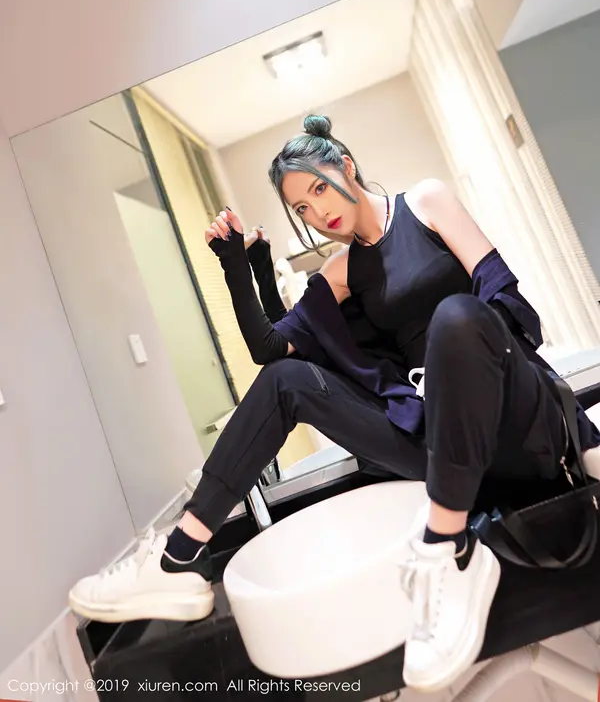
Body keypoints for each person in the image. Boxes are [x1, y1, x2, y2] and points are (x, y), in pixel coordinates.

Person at [69, 115, 600, 692]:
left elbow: (506, 301)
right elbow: (270, 348)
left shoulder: (426, 203)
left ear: (346, 165)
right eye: (302, 207)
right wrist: (236, 265)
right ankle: (175, 559)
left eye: (319, 188)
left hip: (515, 417)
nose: (318, 212)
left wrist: (473, 378)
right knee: (288, 380)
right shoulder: (339, 271)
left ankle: (445, 549)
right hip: (440, 442)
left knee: (458, 317)